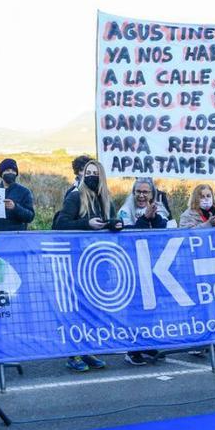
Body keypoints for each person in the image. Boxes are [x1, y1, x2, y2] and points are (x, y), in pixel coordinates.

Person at [53, 159, 118, 372]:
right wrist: (85, 225)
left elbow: (112, 221)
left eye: (95, 173)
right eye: (87, 172)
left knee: (94, 310)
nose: (90, 176)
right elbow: (61, 224)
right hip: (77, 262)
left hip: (100, 262)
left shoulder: (107, 200)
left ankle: (88, 349)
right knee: (77, 309)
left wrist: (115, 225)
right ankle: (73, 353)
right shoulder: (74, 196)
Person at [121, 178, 166, 365]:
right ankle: (132, 349)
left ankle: (145, 343)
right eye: (138, 191)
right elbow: (127, 232)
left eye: (145, 192)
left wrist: (153, 216)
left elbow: (162, 229)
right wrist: (144, 218)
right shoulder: (125, 210)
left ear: (152, 195)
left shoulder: (158, 208)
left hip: (151, 265)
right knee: (135, 309)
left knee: (150, 307)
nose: (141, 195)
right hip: (132, 266)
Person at [0, 158, 35, 233]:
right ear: (1, 173)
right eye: (7, 170)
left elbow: (30, 217)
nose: (10, 173)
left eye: (13, 171)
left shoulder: (24, 192)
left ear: (16, 174)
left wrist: (15, 207)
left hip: (16, 236)